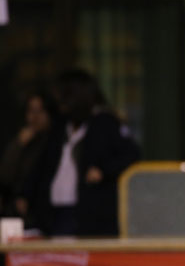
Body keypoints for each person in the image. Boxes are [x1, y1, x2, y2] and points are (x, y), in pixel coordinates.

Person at [23, 69, 140, 236]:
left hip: (90, 209)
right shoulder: (61, 126)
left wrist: (103, 170)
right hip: (55, 208)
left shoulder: (104, 122)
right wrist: (26, 195)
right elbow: (42, 165)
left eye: (64, 99)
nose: (60, 104)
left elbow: (131, 155)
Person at [0, 92, 57, 222]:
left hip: (43, 210)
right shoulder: (22, 141)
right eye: (31, 111)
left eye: (40, 111)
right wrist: (18, 146)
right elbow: (5, 175)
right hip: (16, 209)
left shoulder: (55, 142)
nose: (35, 117)